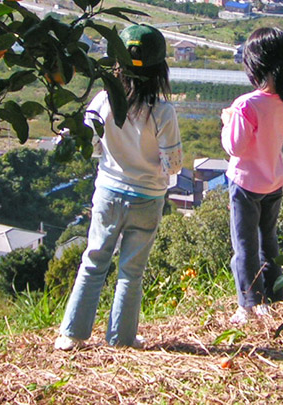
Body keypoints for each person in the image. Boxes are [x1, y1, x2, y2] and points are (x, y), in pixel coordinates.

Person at [55, 24, 182, 350]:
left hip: (109, 193)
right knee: (131, 271)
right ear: (161, 70)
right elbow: (173, 165)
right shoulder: (164, 112)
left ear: (117, 66)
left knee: (94, 260)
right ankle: (122, 339)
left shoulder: (102, 101)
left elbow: (92, 145)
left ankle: (71, 334)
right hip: (148, 199)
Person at [220, 27, 283, 325]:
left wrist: (228, 120)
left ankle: (248, 304)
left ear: (254, 66)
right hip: (275, 180)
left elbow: (234, 147)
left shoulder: (246, 105)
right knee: (269, 241)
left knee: (244, 245)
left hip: (245, 184)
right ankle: (273, 296)